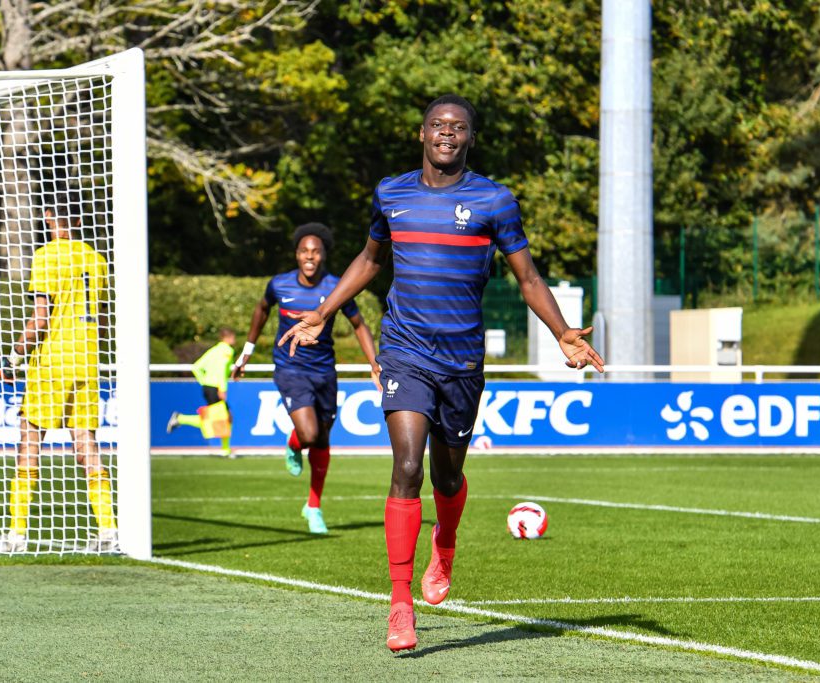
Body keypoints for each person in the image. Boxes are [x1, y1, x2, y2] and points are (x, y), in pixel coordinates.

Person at [278, 94, 604, 651]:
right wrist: (324, 310)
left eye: (457, 127)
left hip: (462, 361)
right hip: (404, 349)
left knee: (445, 477)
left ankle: (445, 542)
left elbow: (527, 277)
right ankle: (399, 605)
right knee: (406, 467)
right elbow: (370, 259)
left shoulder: (494, 201)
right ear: (421, 134)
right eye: (437, 124)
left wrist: (562, 332)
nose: (446, 133)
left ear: (469, 139)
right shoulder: (391, 192)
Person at [0, 190, 117, 554]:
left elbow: (40, 319)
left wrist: (11, 358)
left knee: (29, 441)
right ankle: (108, 530)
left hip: (52, 362)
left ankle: (16, 535)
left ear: (48, 217)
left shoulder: (45, 256)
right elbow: (101, 320)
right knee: (86, 443)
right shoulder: (96, 259)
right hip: (87, 362)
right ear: (79, 220)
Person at [232, 222, 380, 534]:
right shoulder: (280, 285)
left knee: (323, 438)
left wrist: (374, 363)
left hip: (325, 371)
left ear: (323, 254)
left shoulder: (336, 288)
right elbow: (261, 310)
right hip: (290, 368)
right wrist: (246, 352)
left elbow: (359, 324)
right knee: (310, 435)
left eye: (315, 251)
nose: (309, 256)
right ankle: (294, 442)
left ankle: (313, 507)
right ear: (297, 255)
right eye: (304, 251)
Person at [167, 326, 237, 457]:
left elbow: (196, 367)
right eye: (233, 337)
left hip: (208, 387)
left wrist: (204, 381)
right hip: (216, 388)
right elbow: (222, 371)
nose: (234, 340)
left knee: (224, 417)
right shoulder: (227, 351)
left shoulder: (214, 350)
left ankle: (226, 449)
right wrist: (222, 388)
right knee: (222, 418)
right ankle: (180, 419)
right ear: (227, 337)